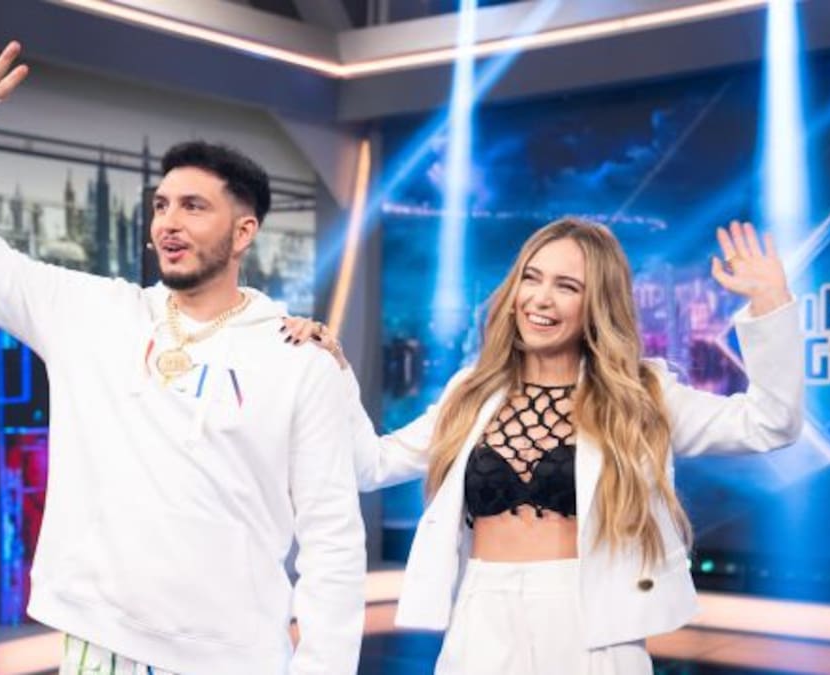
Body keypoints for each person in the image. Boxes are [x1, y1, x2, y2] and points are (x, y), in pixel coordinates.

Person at [0, 41, 366, 675]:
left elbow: (333, 541)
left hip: (235, 657)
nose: (167, 223)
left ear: (244, 232)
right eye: (160, 206)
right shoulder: (93, 313)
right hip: (100, 644)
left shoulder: (299, 361)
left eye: (193, 207)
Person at [284, 217, 803, 674]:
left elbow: (770, 423)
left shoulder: (640, 394)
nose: (540, 298)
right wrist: (332, 370)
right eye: (531, 278)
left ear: (597, 304)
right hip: (481, 613)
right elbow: (369, 465)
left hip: (591, 620)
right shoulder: (471, 392)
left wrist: (769, 304)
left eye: (567, 286)